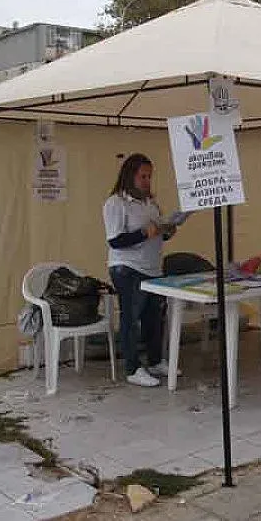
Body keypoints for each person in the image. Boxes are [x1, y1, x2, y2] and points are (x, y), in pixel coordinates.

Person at [103, 154, 177, 387]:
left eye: (149, 177)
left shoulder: (150, 202)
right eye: (142, 176)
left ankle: (155, 361)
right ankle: (133, 368)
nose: (147, 181)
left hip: (152, 267)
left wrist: (167, 230)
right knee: (131, 317)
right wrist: (144, 233)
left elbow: (156, 232)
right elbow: (115, 241)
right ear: (129, 176)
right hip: (128, 268)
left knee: (154, 317)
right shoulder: (116, 203)